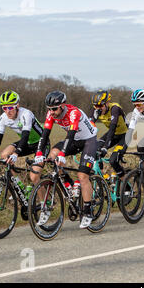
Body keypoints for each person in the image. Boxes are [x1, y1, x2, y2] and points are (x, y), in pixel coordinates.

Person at [33, 90, 98, 229]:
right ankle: (69, 186)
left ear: (63, 105)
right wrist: (39, 153)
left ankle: (87, 212)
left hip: (88, 140)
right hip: (74, 140)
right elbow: (44, 135)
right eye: (49, 109)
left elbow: (71, 134)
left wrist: (63, 154)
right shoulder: (51, 114)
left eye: (54, 109)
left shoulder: (74, 112)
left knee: (83, 175)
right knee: (51, 157)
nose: (52, 112)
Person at [0, 91, 49, 197]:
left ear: (17, 106)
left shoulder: (26, 114)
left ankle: (44, 205)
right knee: (4, 155)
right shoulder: (3, 118)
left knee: (34, 177)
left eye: (10, 108)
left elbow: (25, 136)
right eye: (4, 108)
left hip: (41, 143)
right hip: (27, 143)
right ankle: (20, 188)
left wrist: (16, 153)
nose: (7, 111)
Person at [89, 89, 128, 179]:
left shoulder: (115, 108)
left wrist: (106, 147)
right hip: (114, 134)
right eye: (96, 106)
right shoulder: (95, 110)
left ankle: (126, 187)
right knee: (94, 150)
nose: (98, 108)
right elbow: (89, 128)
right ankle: (104, 178)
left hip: (125, 135)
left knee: (113, 160)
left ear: (107, 103)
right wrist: (93, 119)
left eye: (100, 105)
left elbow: (112, 129)